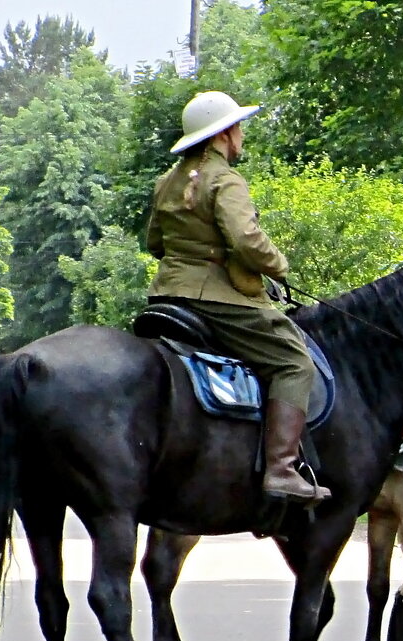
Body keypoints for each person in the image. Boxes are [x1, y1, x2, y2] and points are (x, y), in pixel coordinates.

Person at [146, 91, 330, 505]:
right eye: (239, 127)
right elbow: (247, 242)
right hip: (218, 300)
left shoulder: (167, 181)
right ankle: (282, 468)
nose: (242, 134)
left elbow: (155, 242)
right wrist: (278, 265)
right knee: (293, 361)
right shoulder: (225, 179)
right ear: (224, 133)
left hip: (166, 296)